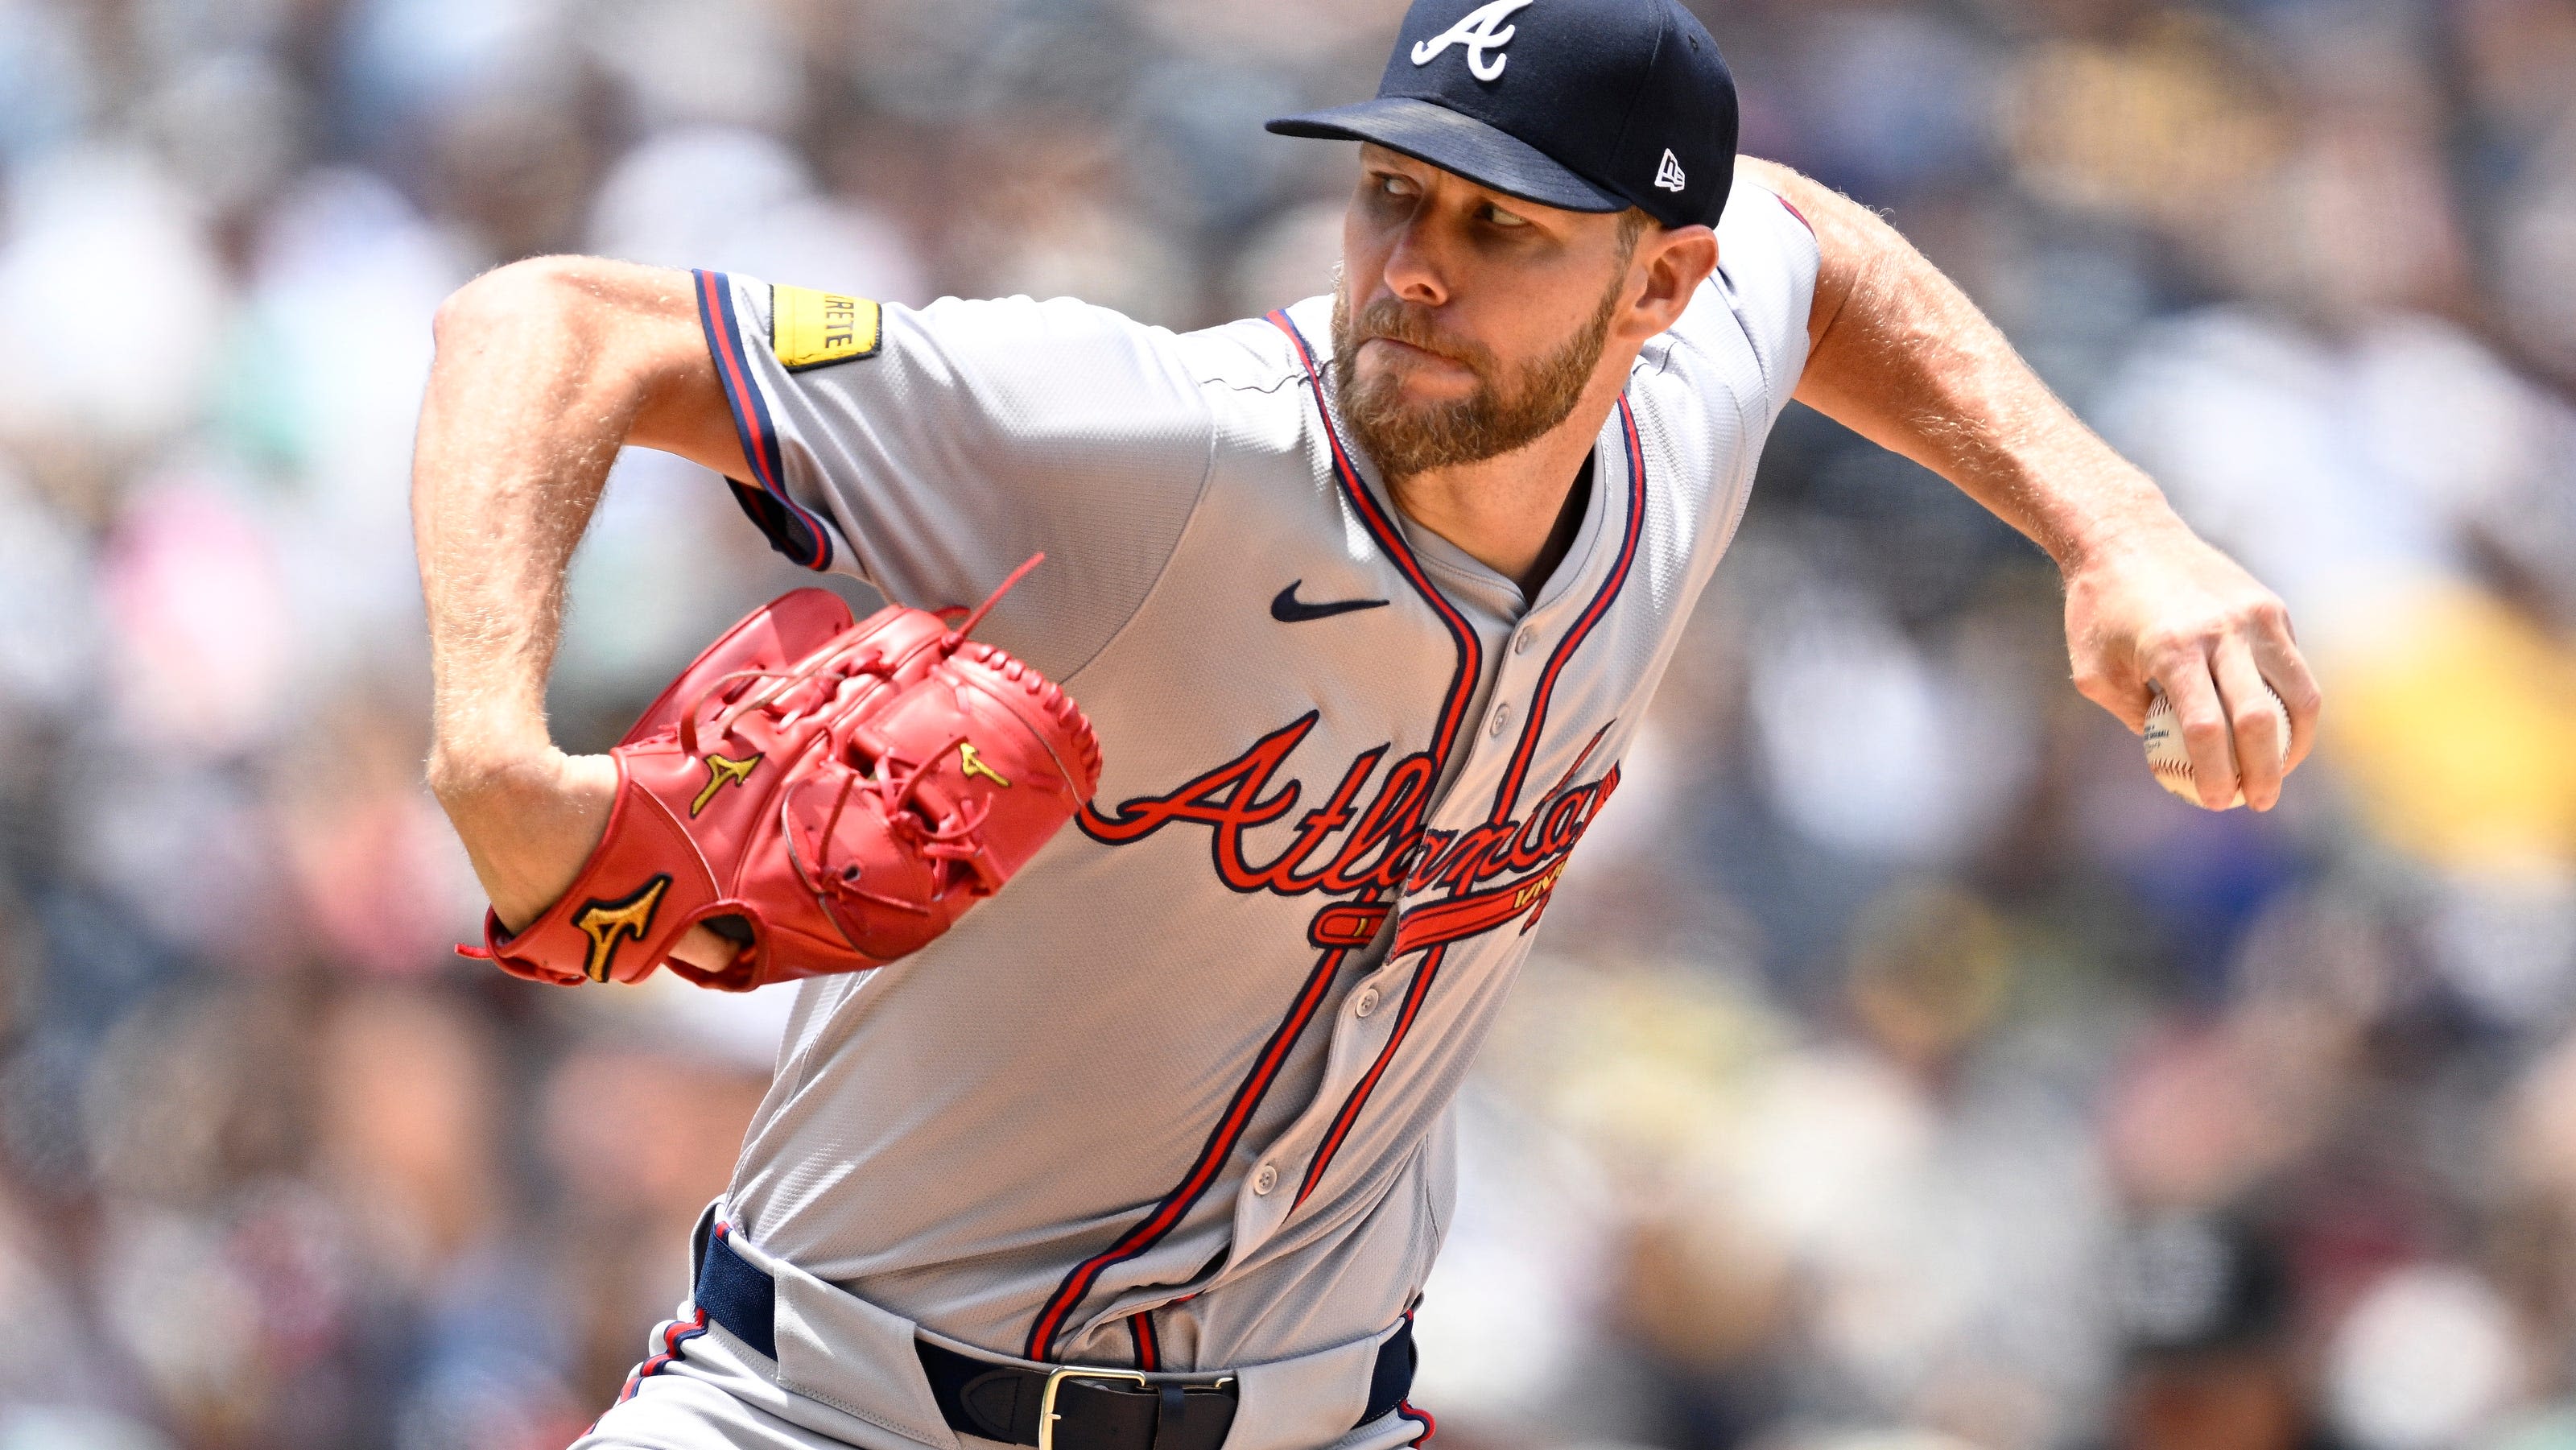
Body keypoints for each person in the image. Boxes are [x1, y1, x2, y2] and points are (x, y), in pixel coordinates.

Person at [409, 1, 2319, 1446]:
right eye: (1395, 192)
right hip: (826, 1406)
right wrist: (494, 749)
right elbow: (551, 326)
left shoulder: (1687, 409)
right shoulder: (1147, 444)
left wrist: (2114, 529)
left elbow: (1802, 239)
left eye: (1505, 229)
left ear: (1663, 282)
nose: (1417, 264)